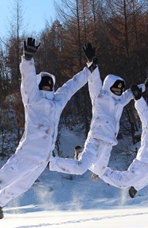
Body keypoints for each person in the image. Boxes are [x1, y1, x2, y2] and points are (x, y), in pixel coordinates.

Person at [0, 39, 93, 220]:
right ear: (40, 85)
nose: (47, 86)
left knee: (22, 186)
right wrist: (27, 59)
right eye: (44, 83)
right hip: (27, 153)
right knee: (3, 178)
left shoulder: (57, 101)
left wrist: (89, 69)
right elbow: (28, 80)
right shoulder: (33, 99)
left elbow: (72, 86)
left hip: (43, 158)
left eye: (50, 84)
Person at [48, 50, 140, 180]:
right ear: (109, 86)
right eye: (116, 88)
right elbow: (94, 81)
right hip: (96, 139)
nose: (119, 90)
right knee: (81, 168)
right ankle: (50, 163)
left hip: (109, 143)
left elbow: (131, 93)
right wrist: (92, 64)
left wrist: (144, 86)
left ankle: (79, 154)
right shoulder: (100, 96)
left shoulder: (119, 102)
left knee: (99, 172)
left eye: (120, 89)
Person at [100, 77, 148, 198]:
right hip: (145, 159)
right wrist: (138, 98)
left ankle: (135, 187)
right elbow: (143, 111)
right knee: (124, 182)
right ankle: (101, 171)